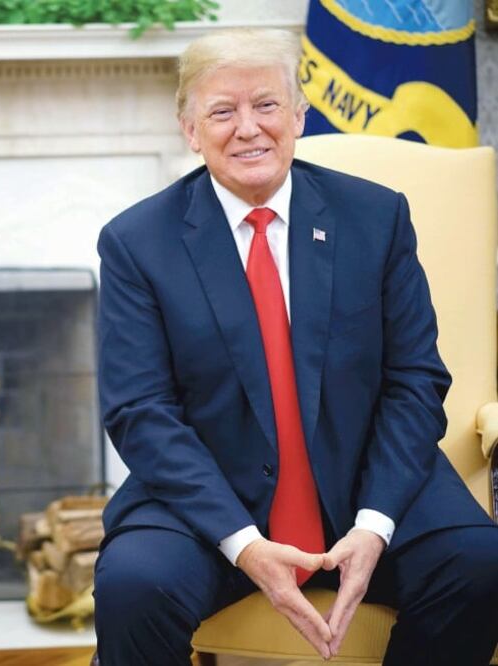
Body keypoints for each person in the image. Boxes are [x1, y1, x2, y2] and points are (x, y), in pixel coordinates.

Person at [93, 28, 498, 666]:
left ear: (300, 116)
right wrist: (244, 543)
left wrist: (374, 526)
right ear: (189, 130)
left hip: (368, 481)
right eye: (222, 111)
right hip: (211, 499)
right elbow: (140, 410)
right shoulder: (136, 242)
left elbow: (415, 381)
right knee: (134, 587)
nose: (248, 128)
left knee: (478, 564)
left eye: (267, 105)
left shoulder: (377, 217)